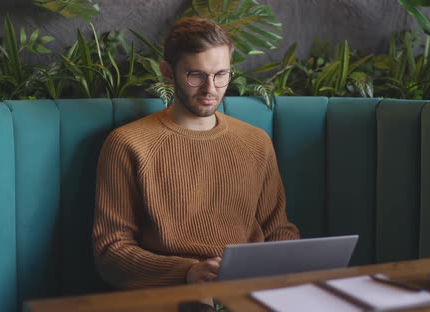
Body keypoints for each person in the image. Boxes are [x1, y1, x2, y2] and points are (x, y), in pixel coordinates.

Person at [92, 16, 300, 289]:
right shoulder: (128, 144)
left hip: (247, 290)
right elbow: (111, 250)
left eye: (221, 74)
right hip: (172, 293)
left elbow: (279, 230)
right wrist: (188, 272)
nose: (210, 89)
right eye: (196, 75)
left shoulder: (256, 142)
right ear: (168, 72)